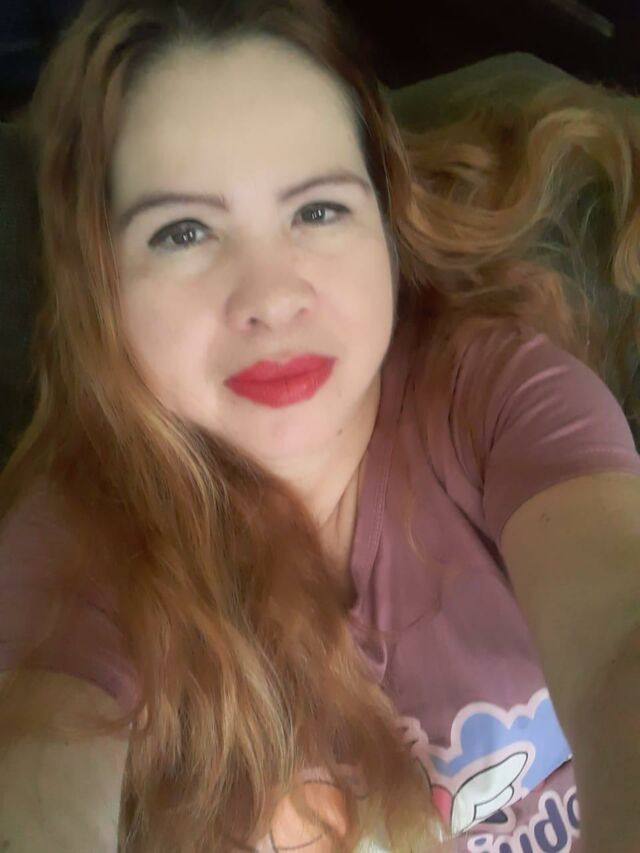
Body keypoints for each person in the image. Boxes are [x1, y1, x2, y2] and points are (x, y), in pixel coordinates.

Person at [0, 0, 639, 850]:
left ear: (386, 222)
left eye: (317, 211)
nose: (271, 298)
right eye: (183, 231)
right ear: (99, 287)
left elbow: (619, 641)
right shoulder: (80, 541)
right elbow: (34, 761)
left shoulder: (498, 397)